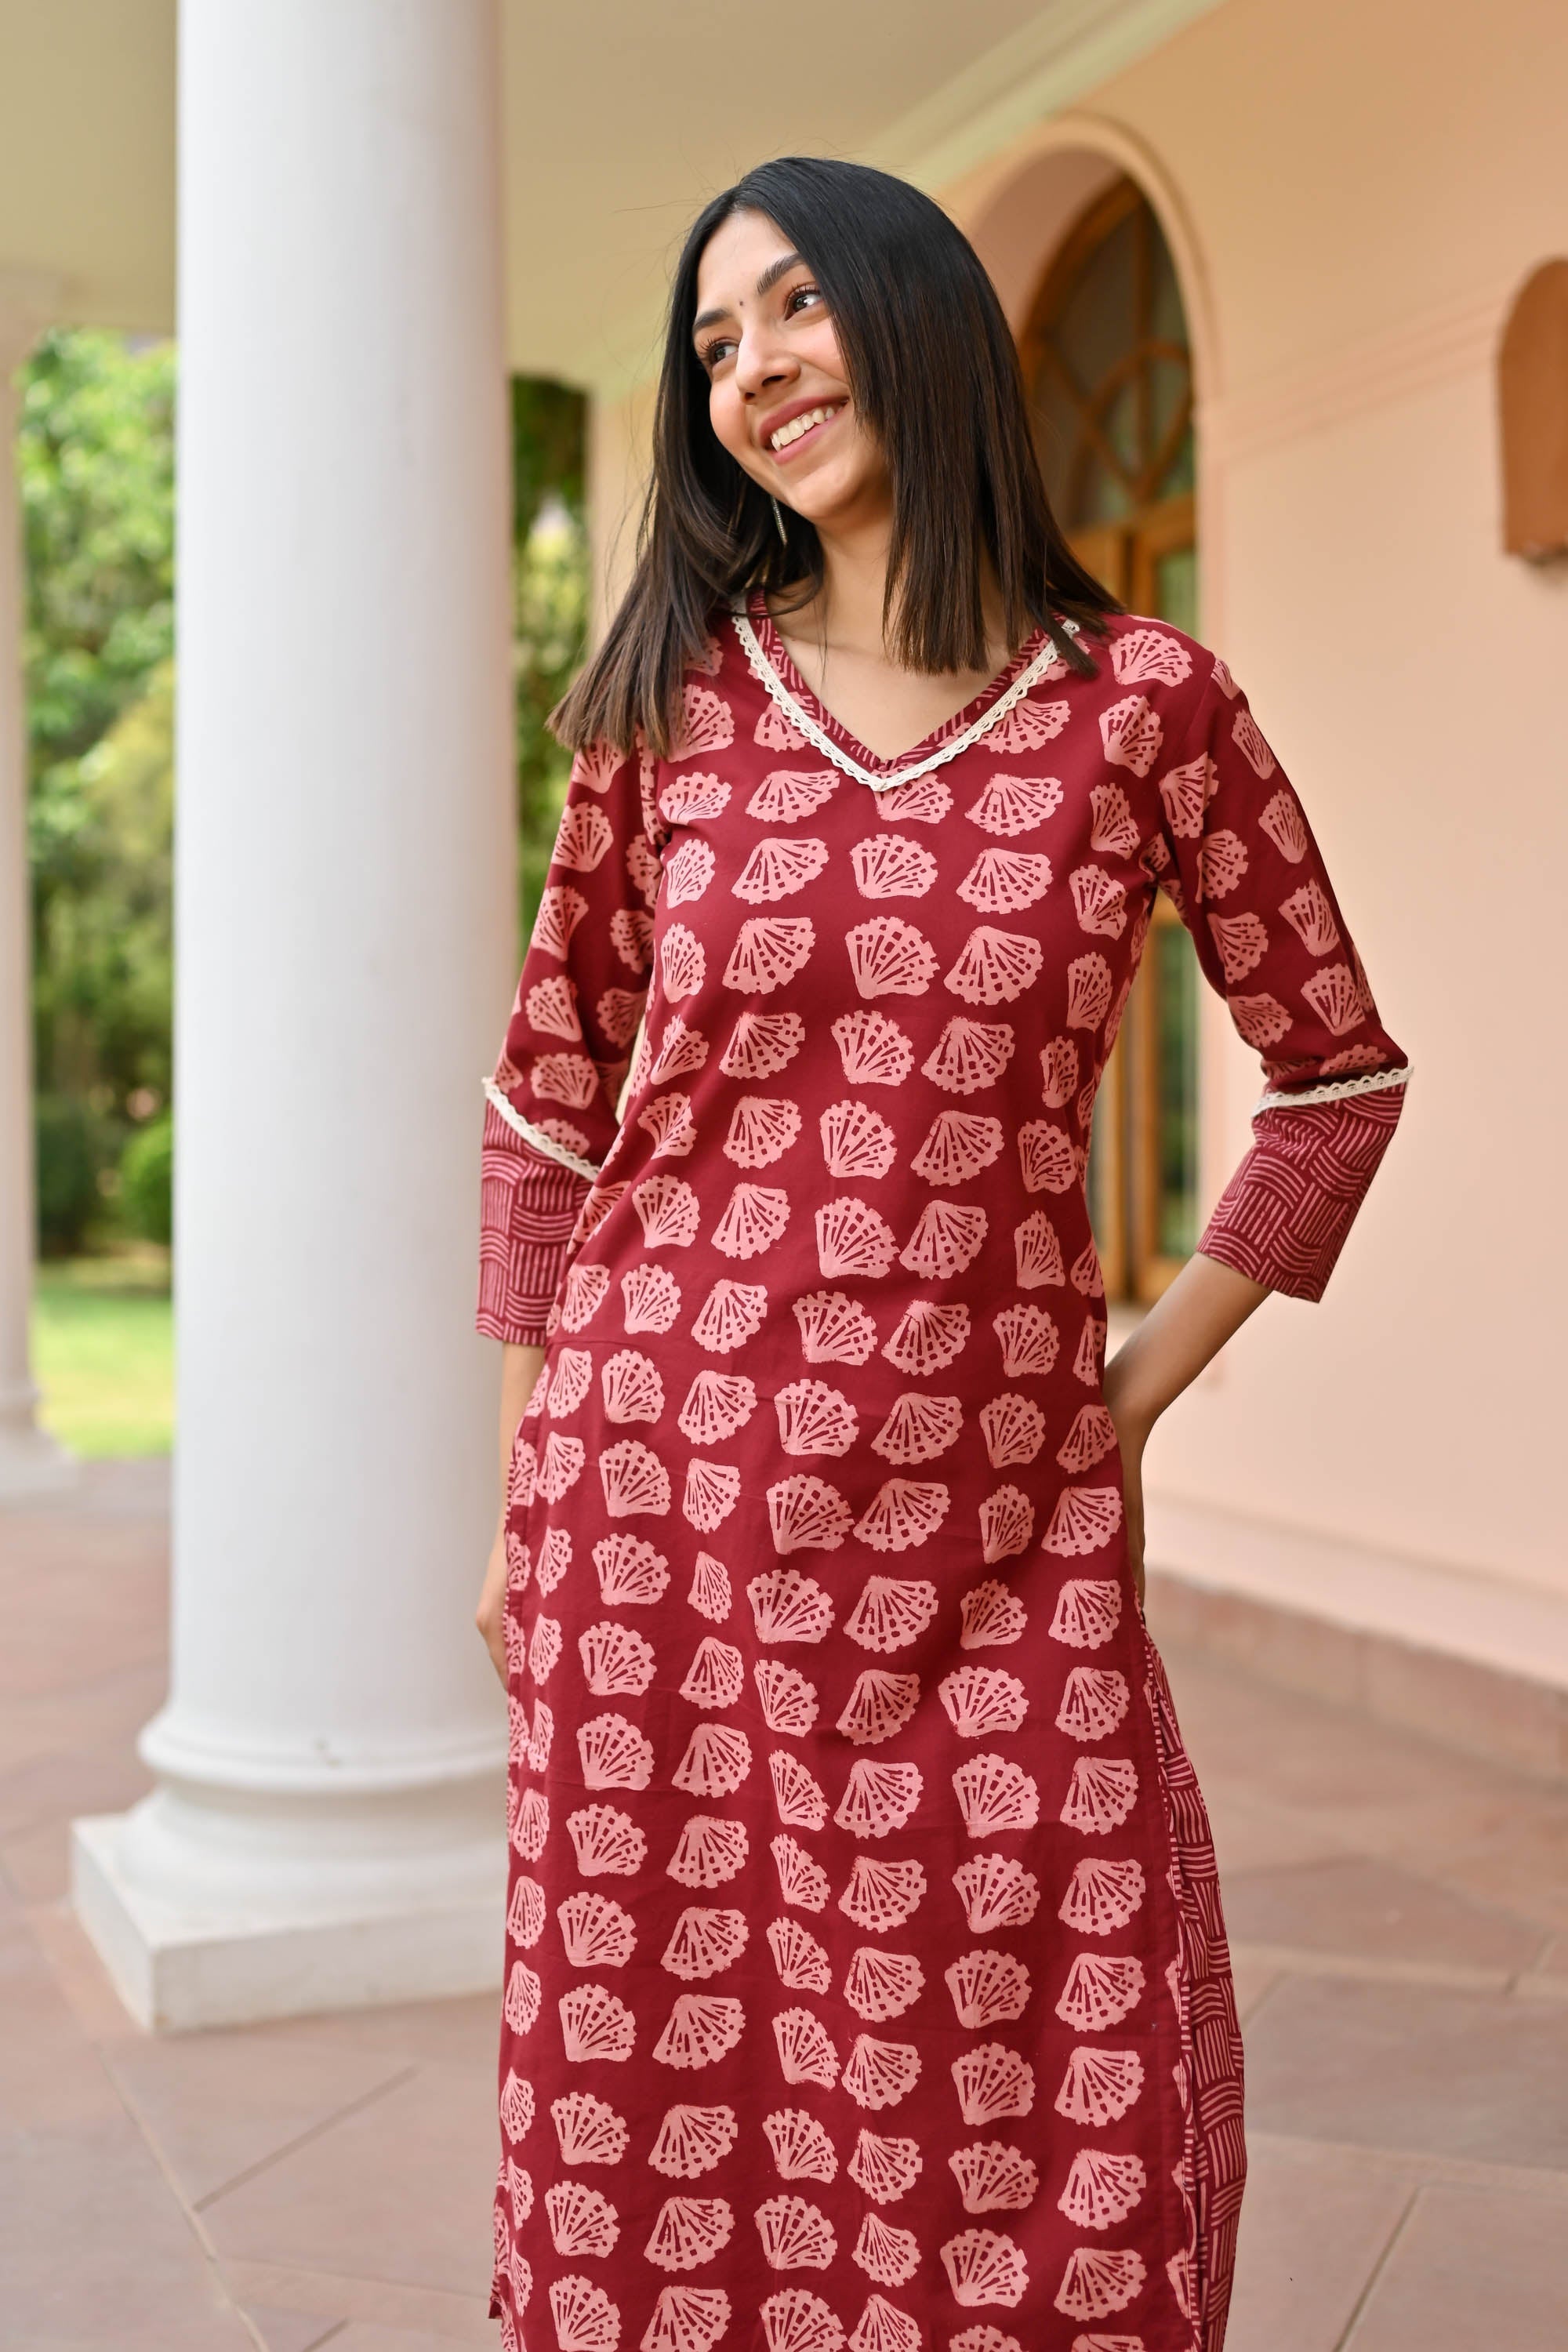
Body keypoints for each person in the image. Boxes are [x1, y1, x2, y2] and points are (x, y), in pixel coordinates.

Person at [473, 156, 1407, 2352]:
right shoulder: (672, 704)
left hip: (994, 1530)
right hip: (660, 1519)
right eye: (715, 343)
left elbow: (1336, 1079)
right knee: (669, 2107)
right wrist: (523, 1479)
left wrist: (1123, 1399)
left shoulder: (1144, 704)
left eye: (797, 306)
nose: (757, 368)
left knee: (1048, 2095)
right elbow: (546, 1104)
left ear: (917, 313)